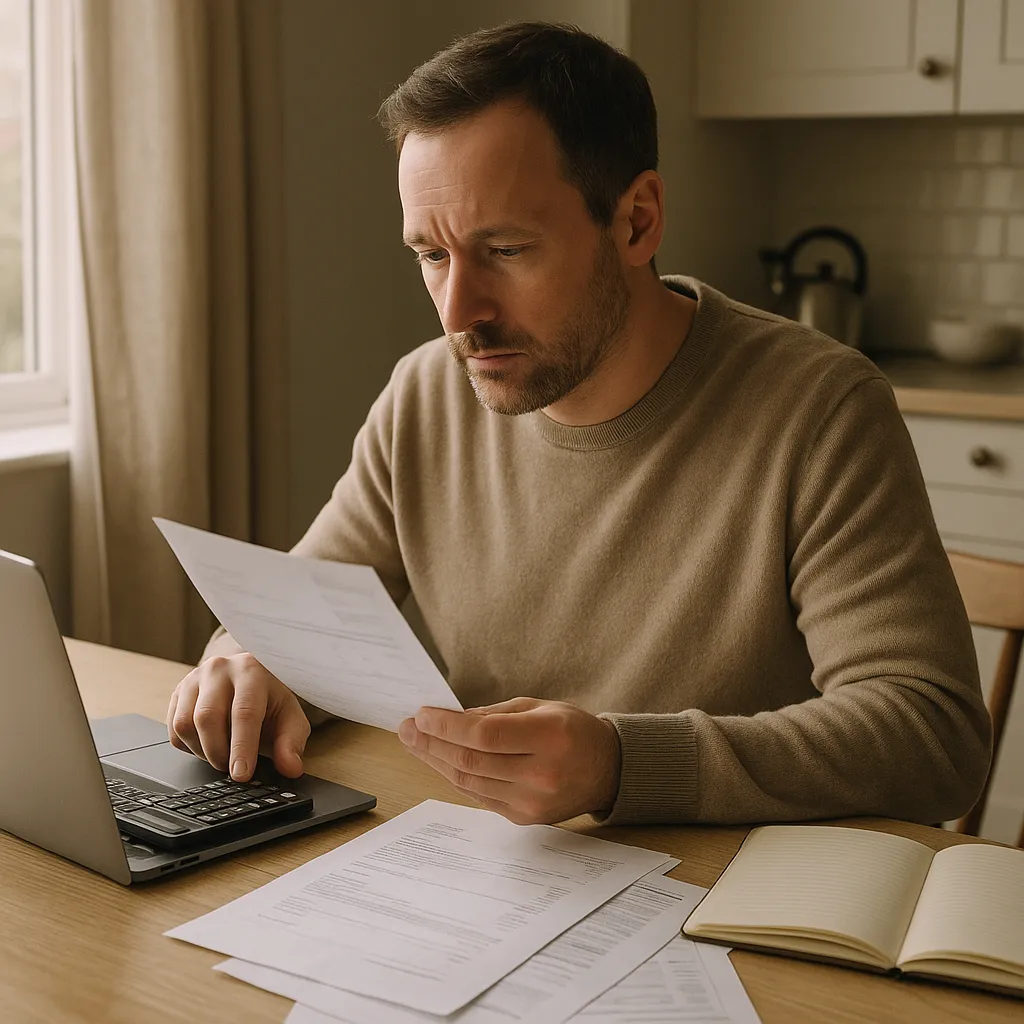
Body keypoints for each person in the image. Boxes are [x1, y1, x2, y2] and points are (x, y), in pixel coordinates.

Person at [166, 22, 991, 828]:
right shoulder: (425, 395)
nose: (460, 312)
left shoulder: (818, 409)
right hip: (500, 883)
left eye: (507, 251)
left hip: (732, 907)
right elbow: (303, 619)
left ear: (637, 220)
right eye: (432, 254)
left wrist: (622, 764)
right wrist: (246, 659)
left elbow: (932, 738)